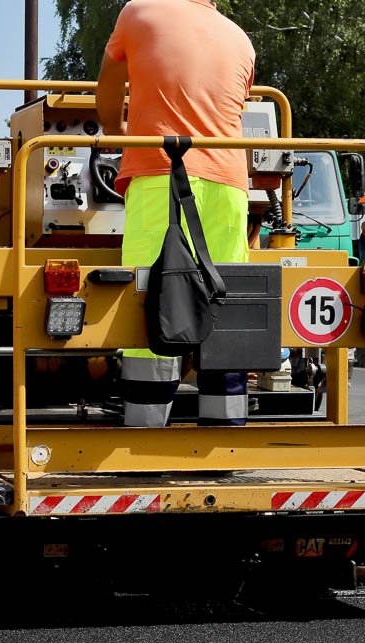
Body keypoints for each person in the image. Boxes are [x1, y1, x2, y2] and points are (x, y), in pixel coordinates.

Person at [96, 0, 256, 427]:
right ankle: (225, 436)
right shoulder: (240, 38)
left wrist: (116, 132)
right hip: (229, 185)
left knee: (154, 299)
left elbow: (108, 93)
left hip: (160, 175)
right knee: (222, 302)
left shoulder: (138, 12)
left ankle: (145, 434)